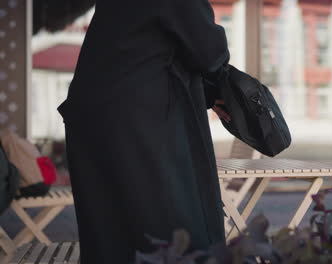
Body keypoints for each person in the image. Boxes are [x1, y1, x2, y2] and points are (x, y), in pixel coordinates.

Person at [57, 0, 231, 263]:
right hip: (135, 116)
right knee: (164, 217)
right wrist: (223, 86)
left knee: (107, 226)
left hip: (92, 111)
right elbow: (209, 50)